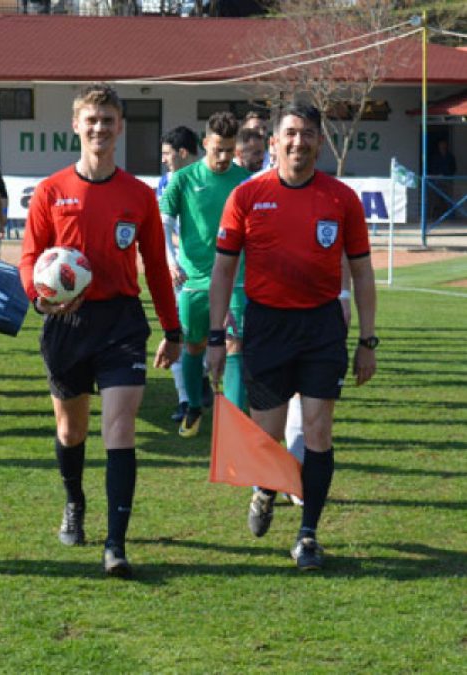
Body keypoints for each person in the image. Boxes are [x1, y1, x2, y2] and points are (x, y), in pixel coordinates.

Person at [19, 83, 182, 578]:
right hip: (67, 324)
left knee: (120, 428)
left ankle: (116, 542)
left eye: (108, 120)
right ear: (76, 125)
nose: (99, 128)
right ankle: (74, 502)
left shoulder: (138, 195)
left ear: (120, 127)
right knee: (70, 429)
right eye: (91, 120)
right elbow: (29, 258)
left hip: (120, 323)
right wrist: (40, 295)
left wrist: (172, 329)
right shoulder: (51, 191)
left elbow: (156, 265)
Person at [208, 101, 377, 571]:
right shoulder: (246, 196)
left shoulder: (342, 199)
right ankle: (265, 485)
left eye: (307, 134)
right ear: (274, 140)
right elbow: (223, 270)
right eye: (290, 133)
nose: (298, 142)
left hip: (322, 326)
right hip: (268, 325)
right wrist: (217, 335)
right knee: (270, 433)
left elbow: (362, 275)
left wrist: (368, 340)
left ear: (320, 141)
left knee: (318, 431)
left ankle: (308, 535)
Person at [160, 111, 250, 438]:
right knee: (195, 346)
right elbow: (164, 223)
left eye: (230, 149)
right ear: (205, 143)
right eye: (218, 150)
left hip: (236, 281)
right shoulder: (182, 180)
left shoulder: (244, 182)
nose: (224, 157)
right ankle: (195, 406)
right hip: (193, 280)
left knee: (234, 347)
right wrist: (171, 260)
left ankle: (237, 427)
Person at [157, 126, 199, 423]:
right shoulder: (167, 182)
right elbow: (163, 226)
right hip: (180, 273)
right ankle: (186, 398)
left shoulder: (215, 177)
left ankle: (202, 387)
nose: (163, 160)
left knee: (219, 339)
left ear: (183, 153)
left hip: (217, 275)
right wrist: (172, 260)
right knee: (178, 335)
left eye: (167, 154)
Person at [428, 138, 457, 219]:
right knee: (435, 198)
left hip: (448, 179)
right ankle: (432, 215)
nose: (442, 146)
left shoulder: (450, 156)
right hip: (436, 180)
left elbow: (453, 168)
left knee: (449, 198)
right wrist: (437, 175)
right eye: (441, 144)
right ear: (438, 146)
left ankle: (451, 216)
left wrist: (448, 175)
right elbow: (432, 167)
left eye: (444, 144)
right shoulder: (435, 156)